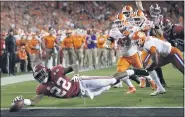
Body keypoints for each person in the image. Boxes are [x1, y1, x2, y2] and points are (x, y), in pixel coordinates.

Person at [11, 63, 148, 107]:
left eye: (41, 74)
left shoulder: (56, 71)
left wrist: (76, 74)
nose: (41, 78)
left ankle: (132, 71)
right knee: (110, 85)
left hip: (82, 82)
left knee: (111, 80)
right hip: (83, 93)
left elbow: (74, 66)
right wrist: (24, 101)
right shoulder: (42, 88)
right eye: (38, 77)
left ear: (46, 70)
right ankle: (128, 76)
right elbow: (35, 101)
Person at [132, 31, 184, 95]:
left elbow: (155, 57)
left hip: (172, 53)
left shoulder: (148, 44)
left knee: (183, 68)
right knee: (149, 68)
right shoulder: (147, 42)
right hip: (163, 56)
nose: (136, 43)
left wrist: (152, 64)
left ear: (142, 39)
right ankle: (160, 88)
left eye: (136, 41)